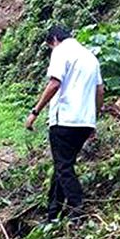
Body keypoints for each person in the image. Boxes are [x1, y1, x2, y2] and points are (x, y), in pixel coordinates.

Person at [25, 25, 104, 221]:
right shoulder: (90, 57)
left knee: (64, 167)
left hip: (65, 120)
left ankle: (78, 209)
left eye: (50, 46)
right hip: (84, 122)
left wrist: (35, 112)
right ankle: (53, 214)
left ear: (53, 40)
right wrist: (93, 119)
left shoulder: (61, 51)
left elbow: (54, 83)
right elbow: (100, 90)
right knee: (63, 164)